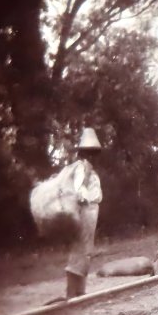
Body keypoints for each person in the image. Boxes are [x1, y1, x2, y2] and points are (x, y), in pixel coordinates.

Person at [65, 127, 103, 298]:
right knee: (81, 249)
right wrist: (86, 174)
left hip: (92, 209)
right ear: (83, 153)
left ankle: (79, 291)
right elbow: (79, 190)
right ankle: (73, 292)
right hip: (85, 209)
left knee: (86, 250)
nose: (92, 156)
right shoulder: (82, 168)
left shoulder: (89, 169)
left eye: (93, 152)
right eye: (89, 152)